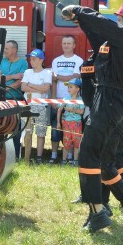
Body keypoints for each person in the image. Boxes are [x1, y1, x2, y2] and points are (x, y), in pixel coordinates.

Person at [61, 0, 123, 232]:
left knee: (88, 153)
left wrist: (79, 10)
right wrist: (81, 21)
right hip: (112, 98)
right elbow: (99, 36)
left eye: (120, 18)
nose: (117, 21)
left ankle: (98, 212)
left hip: (111, 98)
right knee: (102, 155)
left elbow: (105, 26)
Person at [49, 35, 83, 164]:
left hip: (73, 100)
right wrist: (52, 98)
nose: (66, 46)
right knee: (56, 127)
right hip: (58, 98)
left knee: (71, 129)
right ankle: (54, 155)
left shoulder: (79, 60)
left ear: (74, 45)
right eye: (64, 43)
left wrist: (59, 77)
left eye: (69, 43)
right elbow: (53, 80)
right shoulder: (56, 60)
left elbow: (75, 76)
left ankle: (70, 155)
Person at [0, 40, 29, 159]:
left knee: (15, 126)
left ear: (14, 50)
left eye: (6, 48)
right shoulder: (2, 61)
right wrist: (13, 76)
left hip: (16, 98)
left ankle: (15, 155)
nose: (4, 50)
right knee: (1, 125)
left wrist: (4, 87)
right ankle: (1, 153)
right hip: (2, 98)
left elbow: (20, 81)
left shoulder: (23, 62)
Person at [20, 48, 52, 164]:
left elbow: (45, 88)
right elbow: (23, 87)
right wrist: (38, 87)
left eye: (33, 59)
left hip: (41, 105)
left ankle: (39, 157)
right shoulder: (27, 72)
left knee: (41, 131)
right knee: (27, 130)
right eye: (30, 59)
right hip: (28, 104)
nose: (31, 61)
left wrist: (31, 85)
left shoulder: (47, 73)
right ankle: (26, 155)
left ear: (41, 60)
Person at [56, 78, 84, 165]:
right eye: (68, 87)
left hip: (77, 124)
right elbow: (59, 110)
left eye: (71, 87)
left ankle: (75, 161)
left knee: (76, 143)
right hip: (67, 123)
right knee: (66, 143)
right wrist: (58, 122)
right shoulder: (66, 98)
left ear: (78, 89)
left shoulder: (81, 99)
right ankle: (64, 160)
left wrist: (72, 109)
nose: (68, 89)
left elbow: (82, 111)